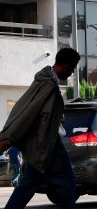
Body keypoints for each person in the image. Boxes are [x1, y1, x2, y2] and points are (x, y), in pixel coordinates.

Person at [0, 48, 80, 209]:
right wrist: (9, 137)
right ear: (65, 65)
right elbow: (28, 113)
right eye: (71, 69)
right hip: (48, 146)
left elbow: (26, 109)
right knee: (68, 187)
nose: (71, 73)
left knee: (26, 187)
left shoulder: (44, 79)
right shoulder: (49, 86)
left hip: (41, 147)